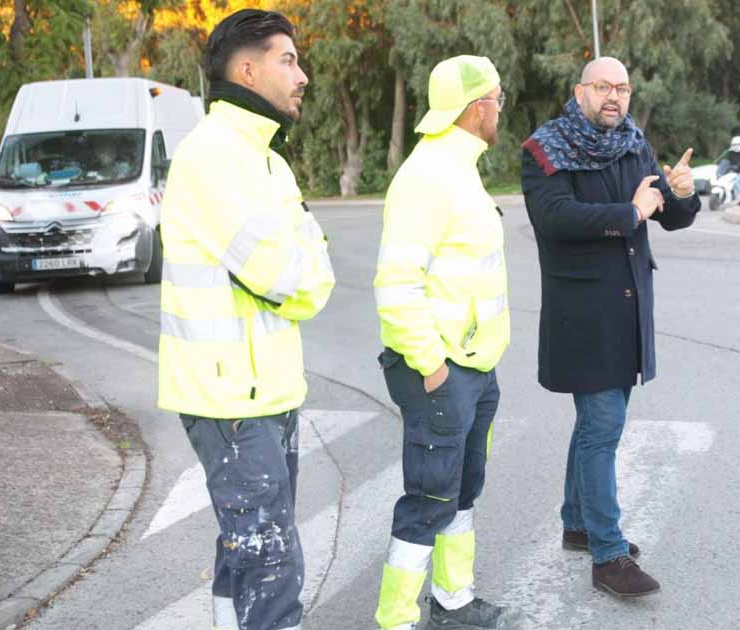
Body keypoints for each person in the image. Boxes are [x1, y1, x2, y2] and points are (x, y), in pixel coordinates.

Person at [156, 9, 335, 630]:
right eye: (289, 60)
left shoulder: (267, 162)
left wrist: (303, 271)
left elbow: (311, 273)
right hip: (229, 396)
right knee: (270, 561)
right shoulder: (213, 156)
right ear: (248, 68)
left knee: (245, 551)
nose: (302, 75)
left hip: (267, 391)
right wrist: (303, 271)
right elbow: (285, 275)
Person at [520, 57, 700, 598]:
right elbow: (553, 218)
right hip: (583, 315)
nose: (614, 97)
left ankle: (578, 522)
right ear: (580, 92)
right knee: (602, 426)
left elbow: (666, 213)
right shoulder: (545, 148)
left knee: (598, 422)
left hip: (628, 312)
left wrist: (682, 193)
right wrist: (631, 212)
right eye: (603, 87)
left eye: (621, 88)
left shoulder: (632, 143)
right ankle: (607, 553)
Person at [371, 55, 519, 630]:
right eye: (498, 99)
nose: (500, 109)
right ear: (477, 106)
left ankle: (453, 602)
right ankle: (397, 619)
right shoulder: (427, 175)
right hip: (442, 370)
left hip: (474, 367)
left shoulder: (460, 166)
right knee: (429, 498)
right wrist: (433, 366)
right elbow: (395, 284)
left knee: (460, 490)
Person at [725, 135, 740, 199]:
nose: (736, 146)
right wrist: (720, 163)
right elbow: (725, 161)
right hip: (732, 172)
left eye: (738, 144)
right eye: (734, 144)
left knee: (736, 183)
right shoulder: (730, 153)